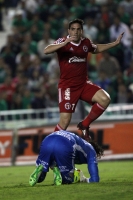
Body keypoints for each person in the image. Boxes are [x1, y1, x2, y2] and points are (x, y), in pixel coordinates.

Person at [44, 18, 124, 141]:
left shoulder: (85, 42)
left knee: (105, 99)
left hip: (83, 84)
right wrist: (64, 43)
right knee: (65, 121)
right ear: (69, 31)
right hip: (68, 87)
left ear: (82, 31)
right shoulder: (63, 41)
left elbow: (96, 48)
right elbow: (47, 50)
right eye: (73, 29)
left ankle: (85, 124)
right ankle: (51, 147)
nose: (75, 32)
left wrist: (114, 43)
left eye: (78, 29)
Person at [29, 130, 104, 186]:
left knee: (40, 179)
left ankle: (42, 170)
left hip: (47, 140)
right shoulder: (91, 150)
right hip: (65, 144)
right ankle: (60, 174)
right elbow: (95, 180)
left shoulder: (81, 142)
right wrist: (84, 180)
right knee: (68, 180)